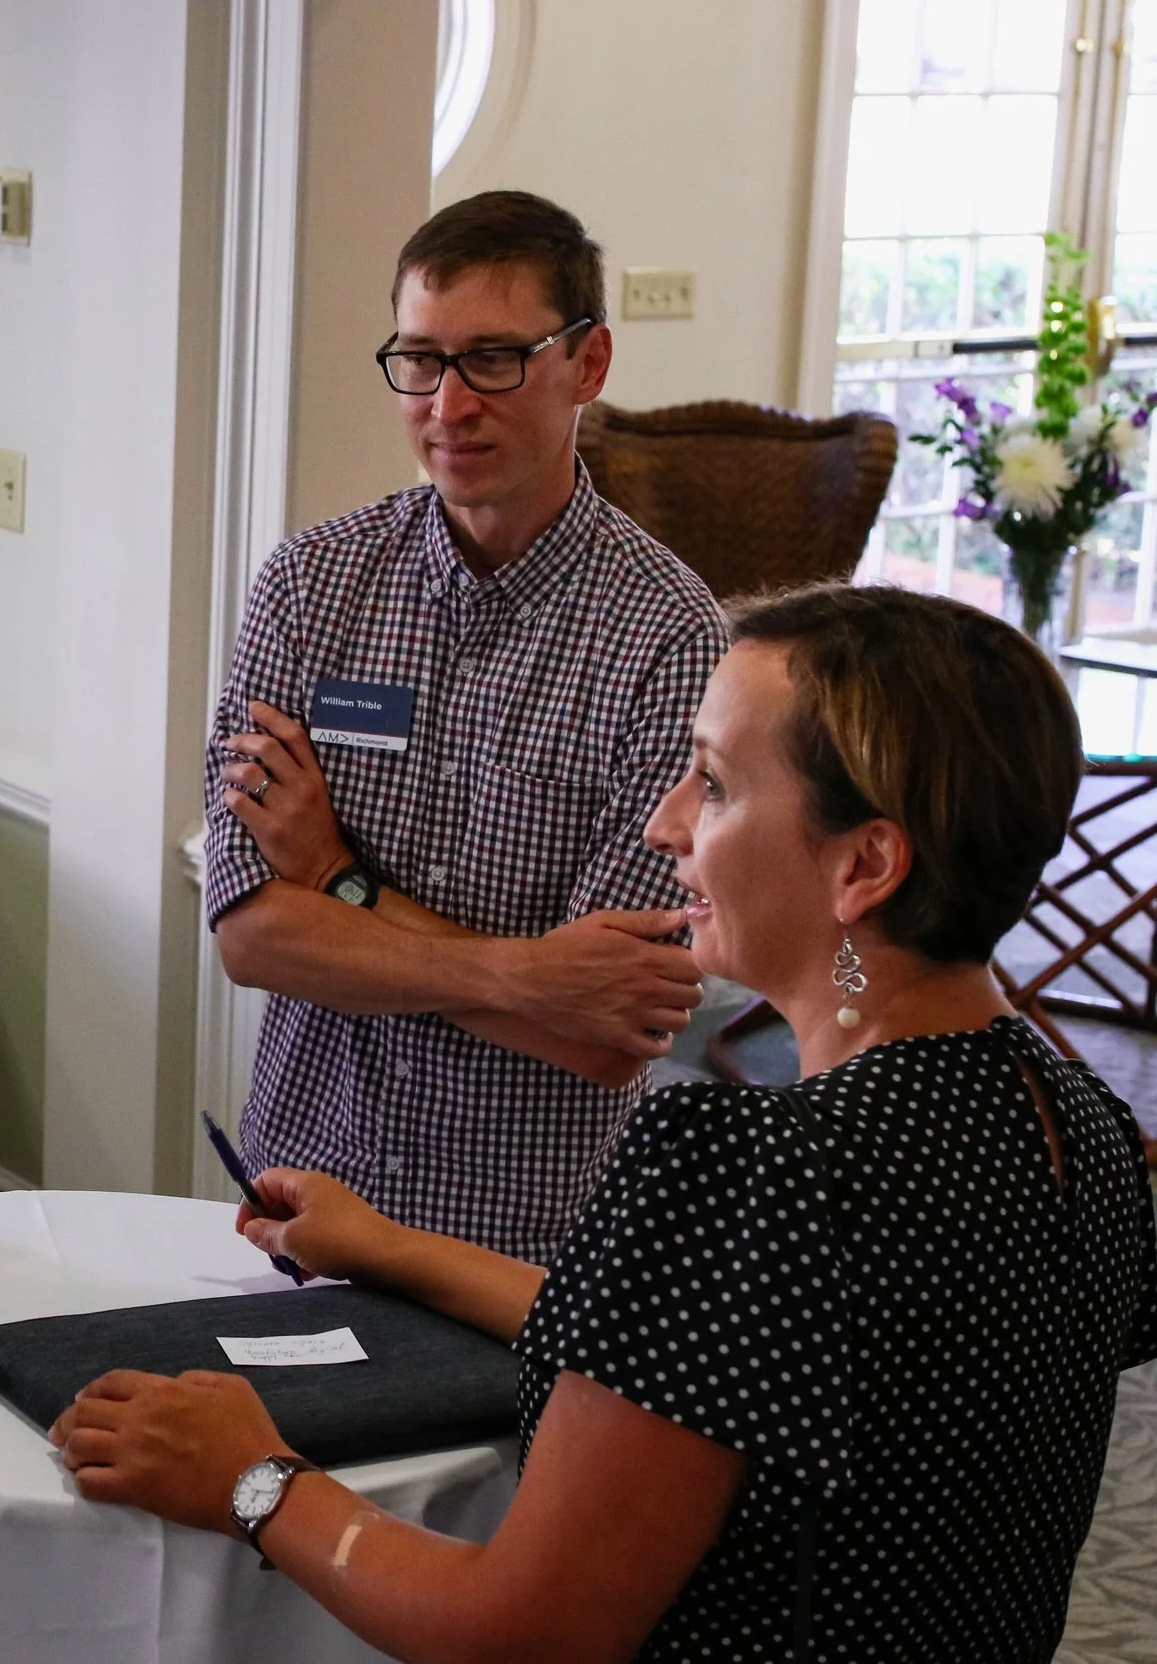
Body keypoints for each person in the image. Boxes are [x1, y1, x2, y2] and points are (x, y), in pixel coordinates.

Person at [61, 585, 1157, 1660]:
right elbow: (717, 1353)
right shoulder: (1084, 1126)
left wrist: (252, 1478)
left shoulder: (753, 1166)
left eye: (713, 784)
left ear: (863, 864)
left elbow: (523, 1632)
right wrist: (393, 1248)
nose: (665, 822)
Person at [205, 189, 729, 1265]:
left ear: (588, 363)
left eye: (493, 359)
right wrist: (528, 976)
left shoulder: (672, 640)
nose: (448, 405)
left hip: (523, 1242)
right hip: (300, 1189)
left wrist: (338, 879)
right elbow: (252, 936)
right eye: (420, 359)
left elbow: (606, 1034)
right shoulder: (310, 587)